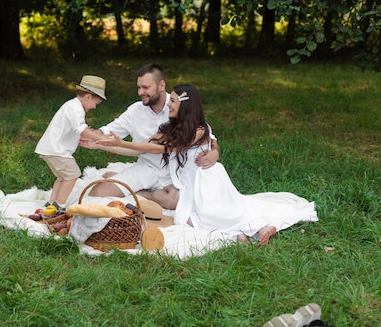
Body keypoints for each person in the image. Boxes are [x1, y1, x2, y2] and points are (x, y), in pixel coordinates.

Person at [97, 84, 318, 245]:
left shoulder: (199, 130)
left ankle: (261, 226)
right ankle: (242, 234)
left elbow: (159, 149)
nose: (168, 104)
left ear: (185, 106)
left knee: (215, 214)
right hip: (188, 181)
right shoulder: (168, 127)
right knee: (189, 217)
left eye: (172, 101)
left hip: (207, 179)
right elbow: (144, 146)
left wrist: (214, 152)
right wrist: (103, 145)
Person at [80, 64, 219, 210]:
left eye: (145, 87)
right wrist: (82, 133)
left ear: (161, 85)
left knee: (175, 202)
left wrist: (215, 153)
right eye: (139, 87)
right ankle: (132, 186)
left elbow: (209, 139)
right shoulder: (135, 110)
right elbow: (106, 133)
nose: (140, 92)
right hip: (145, 167)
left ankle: (139, 192)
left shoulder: (179, 106)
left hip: (173, 172)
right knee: (98, 192)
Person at [35, 75, 112, 212]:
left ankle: (51, 204)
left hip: (51, 148)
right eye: (96, 103)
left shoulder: (72, 106)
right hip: (56, 150)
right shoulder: (75, 108)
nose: (94, 107)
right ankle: (60, 205)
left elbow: (73, 130)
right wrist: (98, 138)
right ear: (88, 97)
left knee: (62, 177)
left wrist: (80, 139)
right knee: (73, 174)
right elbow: (81, 129)